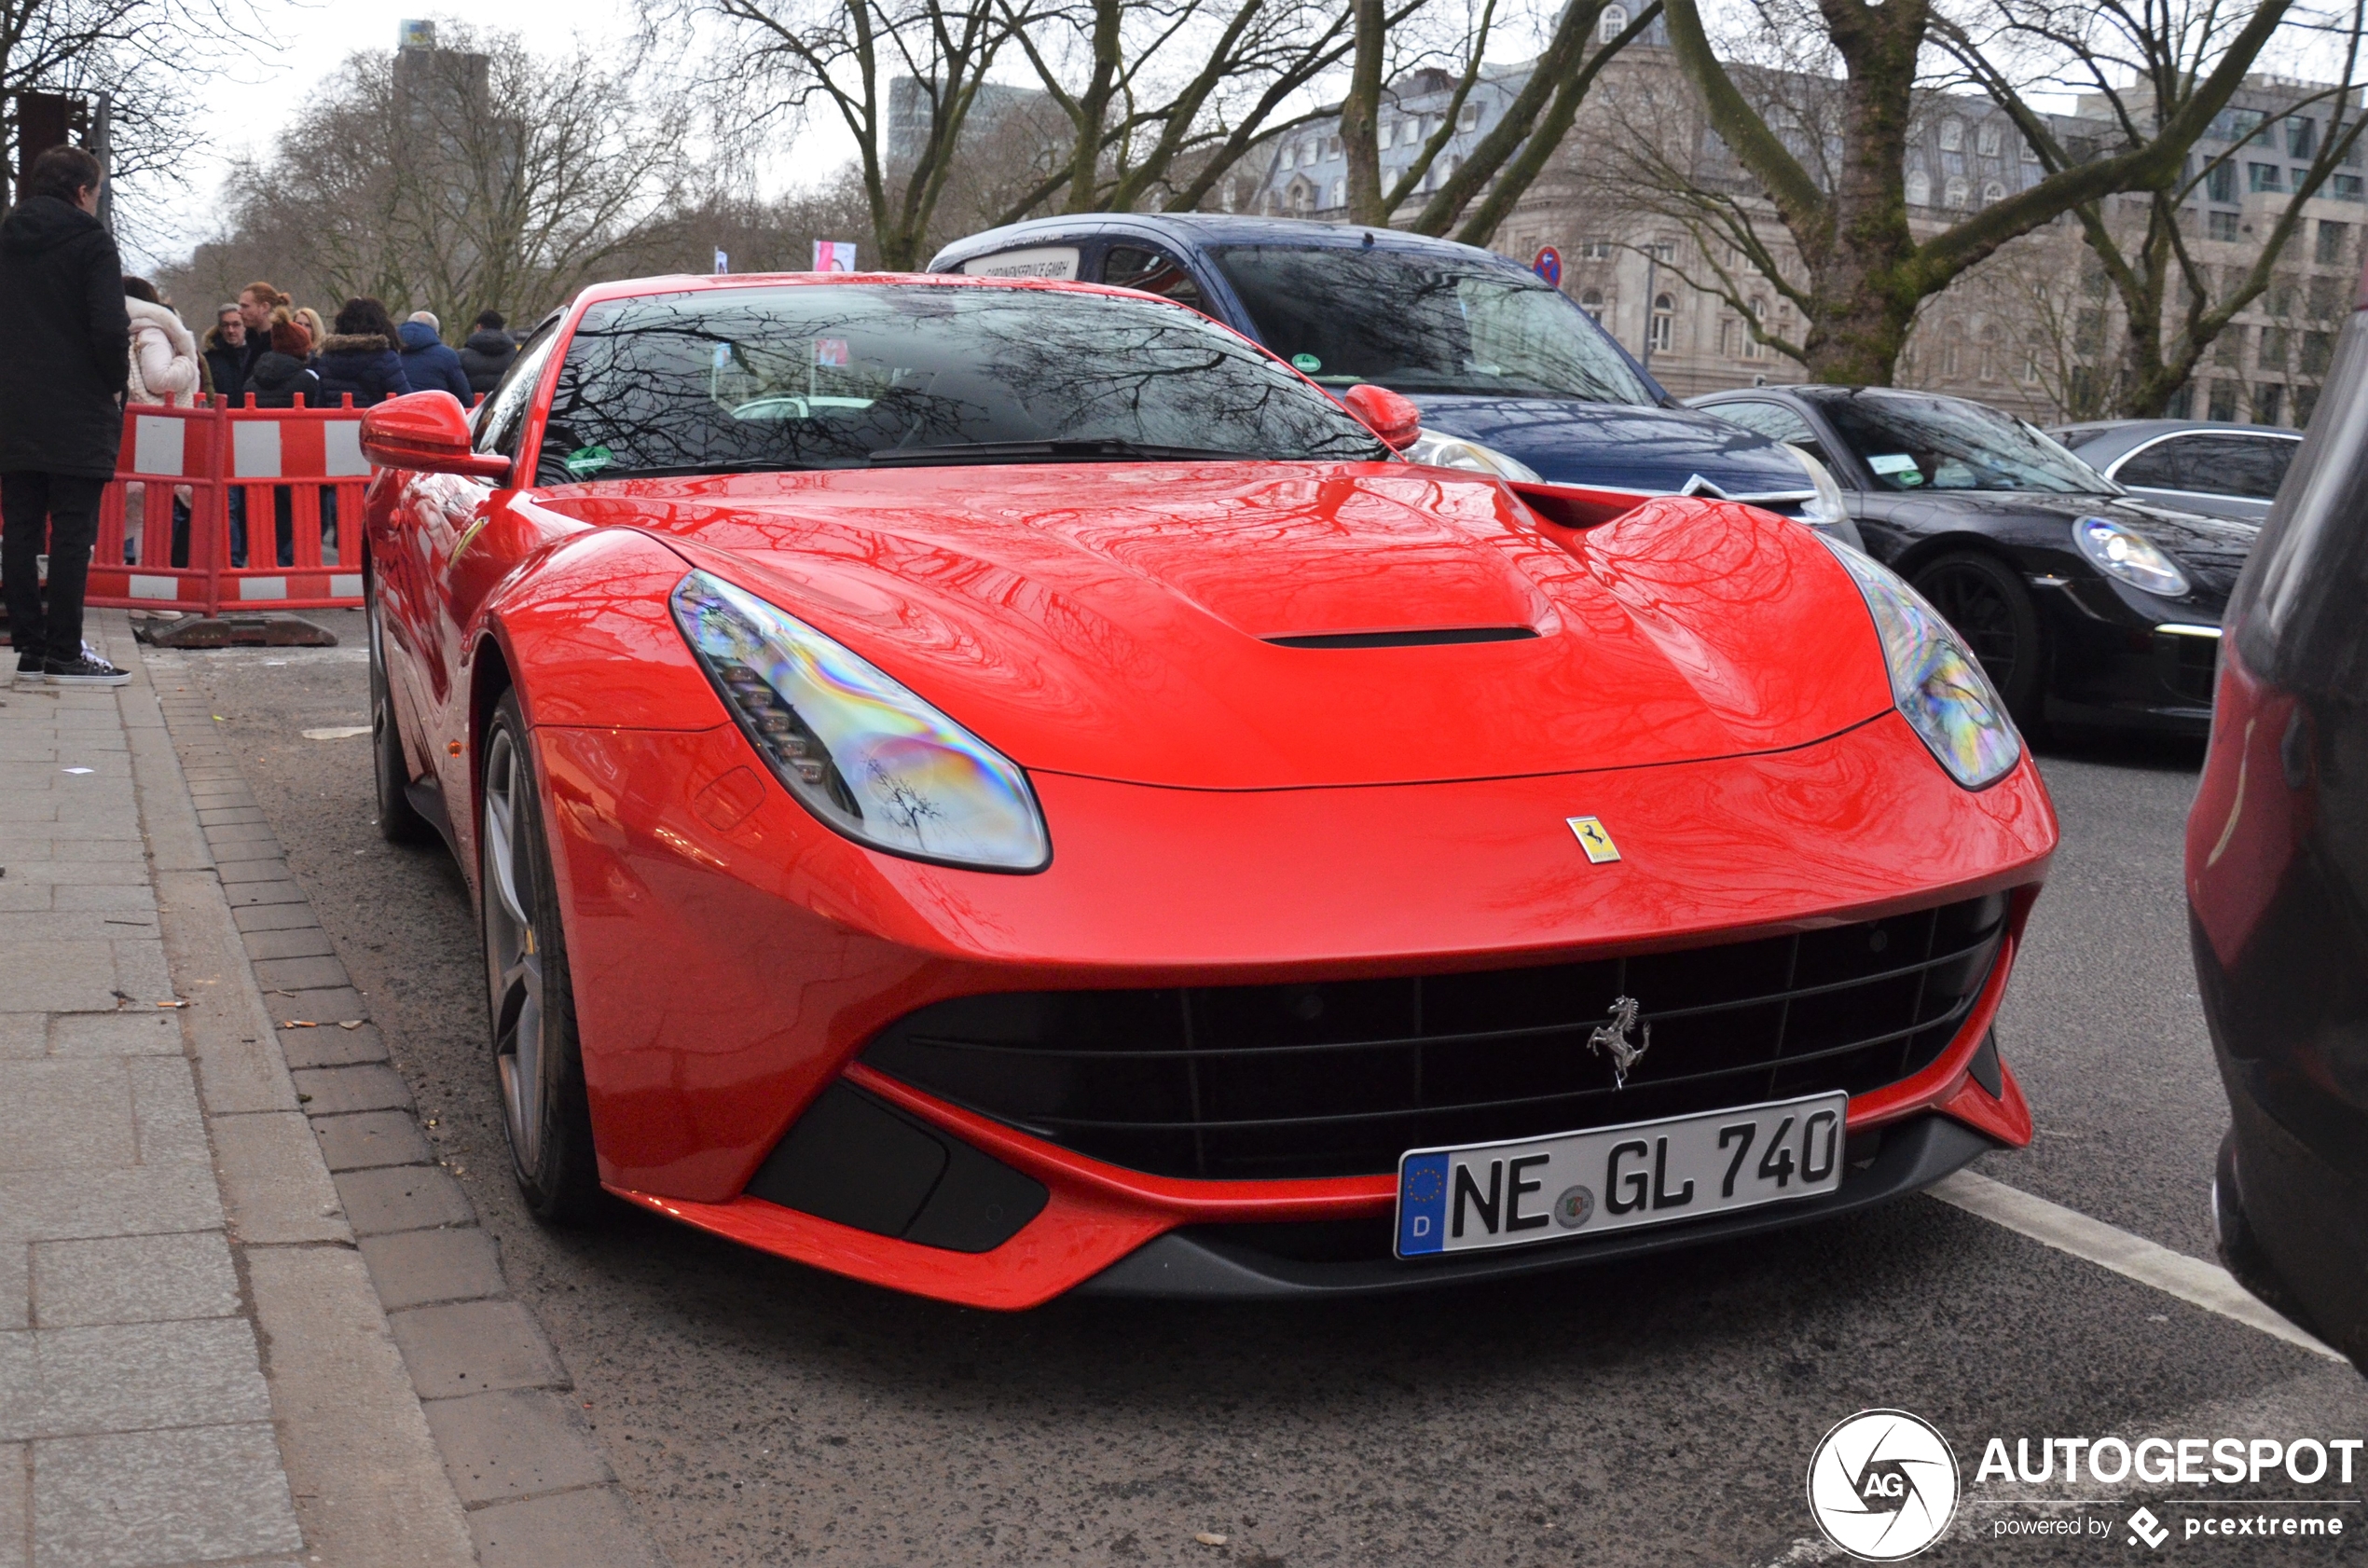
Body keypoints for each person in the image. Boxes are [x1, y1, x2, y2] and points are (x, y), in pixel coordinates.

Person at [0, 144, 132, 686]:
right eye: (96, 193)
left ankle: (29, 649)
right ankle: (65, 651)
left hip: (12, 406)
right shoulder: (90, 243)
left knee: (20, 529)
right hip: (76, 407)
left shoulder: (6, 240)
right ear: (82, 192)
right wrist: (113, 382)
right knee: (73, 534)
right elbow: (108, 326)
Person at [119, 277, 200, 569]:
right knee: (148, 516)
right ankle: (149, 592)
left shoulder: (114, 330)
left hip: (122, 431)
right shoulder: (152, 332)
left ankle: (97, 578)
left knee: (120, 517)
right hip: (153, 434)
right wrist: (187, 363)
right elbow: (160, 380)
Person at [312, 298, 412, 407]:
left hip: (337, 423)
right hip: (373, 422)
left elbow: (320, 403)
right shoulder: (385, 358)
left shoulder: (327, 359)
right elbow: (405, 401)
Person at [397, 309, 472, 401]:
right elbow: (462, 394)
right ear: (436, 333)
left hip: (393, 410)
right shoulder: (447, 355)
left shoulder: (390, 351)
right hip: (433, 411)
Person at [236, 282, 289, 381]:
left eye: (245, 306)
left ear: (264, 307)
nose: (240, 311)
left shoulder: (283, 344)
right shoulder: (251, 344)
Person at [459, 309, 518, 393]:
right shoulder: (517, 356)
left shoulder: (461, 356)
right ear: (501, 328)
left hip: (474, 404)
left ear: (479, 327)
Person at [201, 306, 246, 403]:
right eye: (226, 325)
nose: (231, 330)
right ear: (220, 329)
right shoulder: (208, 360)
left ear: (245, 326)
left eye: (236, 325)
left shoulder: (257, 356)